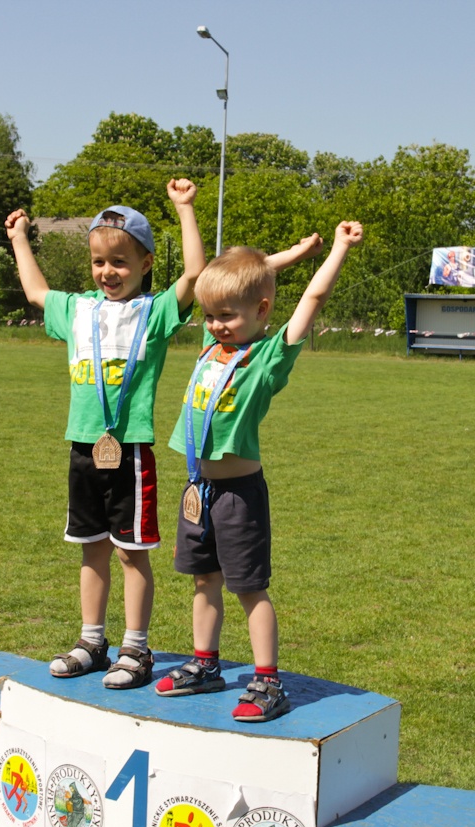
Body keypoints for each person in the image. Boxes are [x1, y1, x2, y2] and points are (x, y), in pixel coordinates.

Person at [155, 221, 363, 721]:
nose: (215, 324)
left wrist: (336, 248)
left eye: (226, 316)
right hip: (198, 489)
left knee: (248, 587)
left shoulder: (267, 357)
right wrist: (289, 254)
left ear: (262, 311)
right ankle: (205, 665)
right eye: (209, 315)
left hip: (238, 496)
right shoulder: (214, 346)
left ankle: (267, 681)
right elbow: (245, 276)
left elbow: (311, 299)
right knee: (203, 581)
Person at [5, 179, 205, 690]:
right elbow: (36, 292)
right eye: (98, 262)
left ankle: (135, 650)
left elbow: (195, 274)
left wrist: (184, 209)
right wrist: (20, 238)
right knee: (90, 547)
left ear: (145, 264)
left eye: (119, 262)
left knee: (129, 552)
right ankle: (92, 643)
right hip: (83, 448)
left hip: (130, 451)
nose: (107, 272)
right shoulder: (78, 309)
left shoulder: (155, 311)